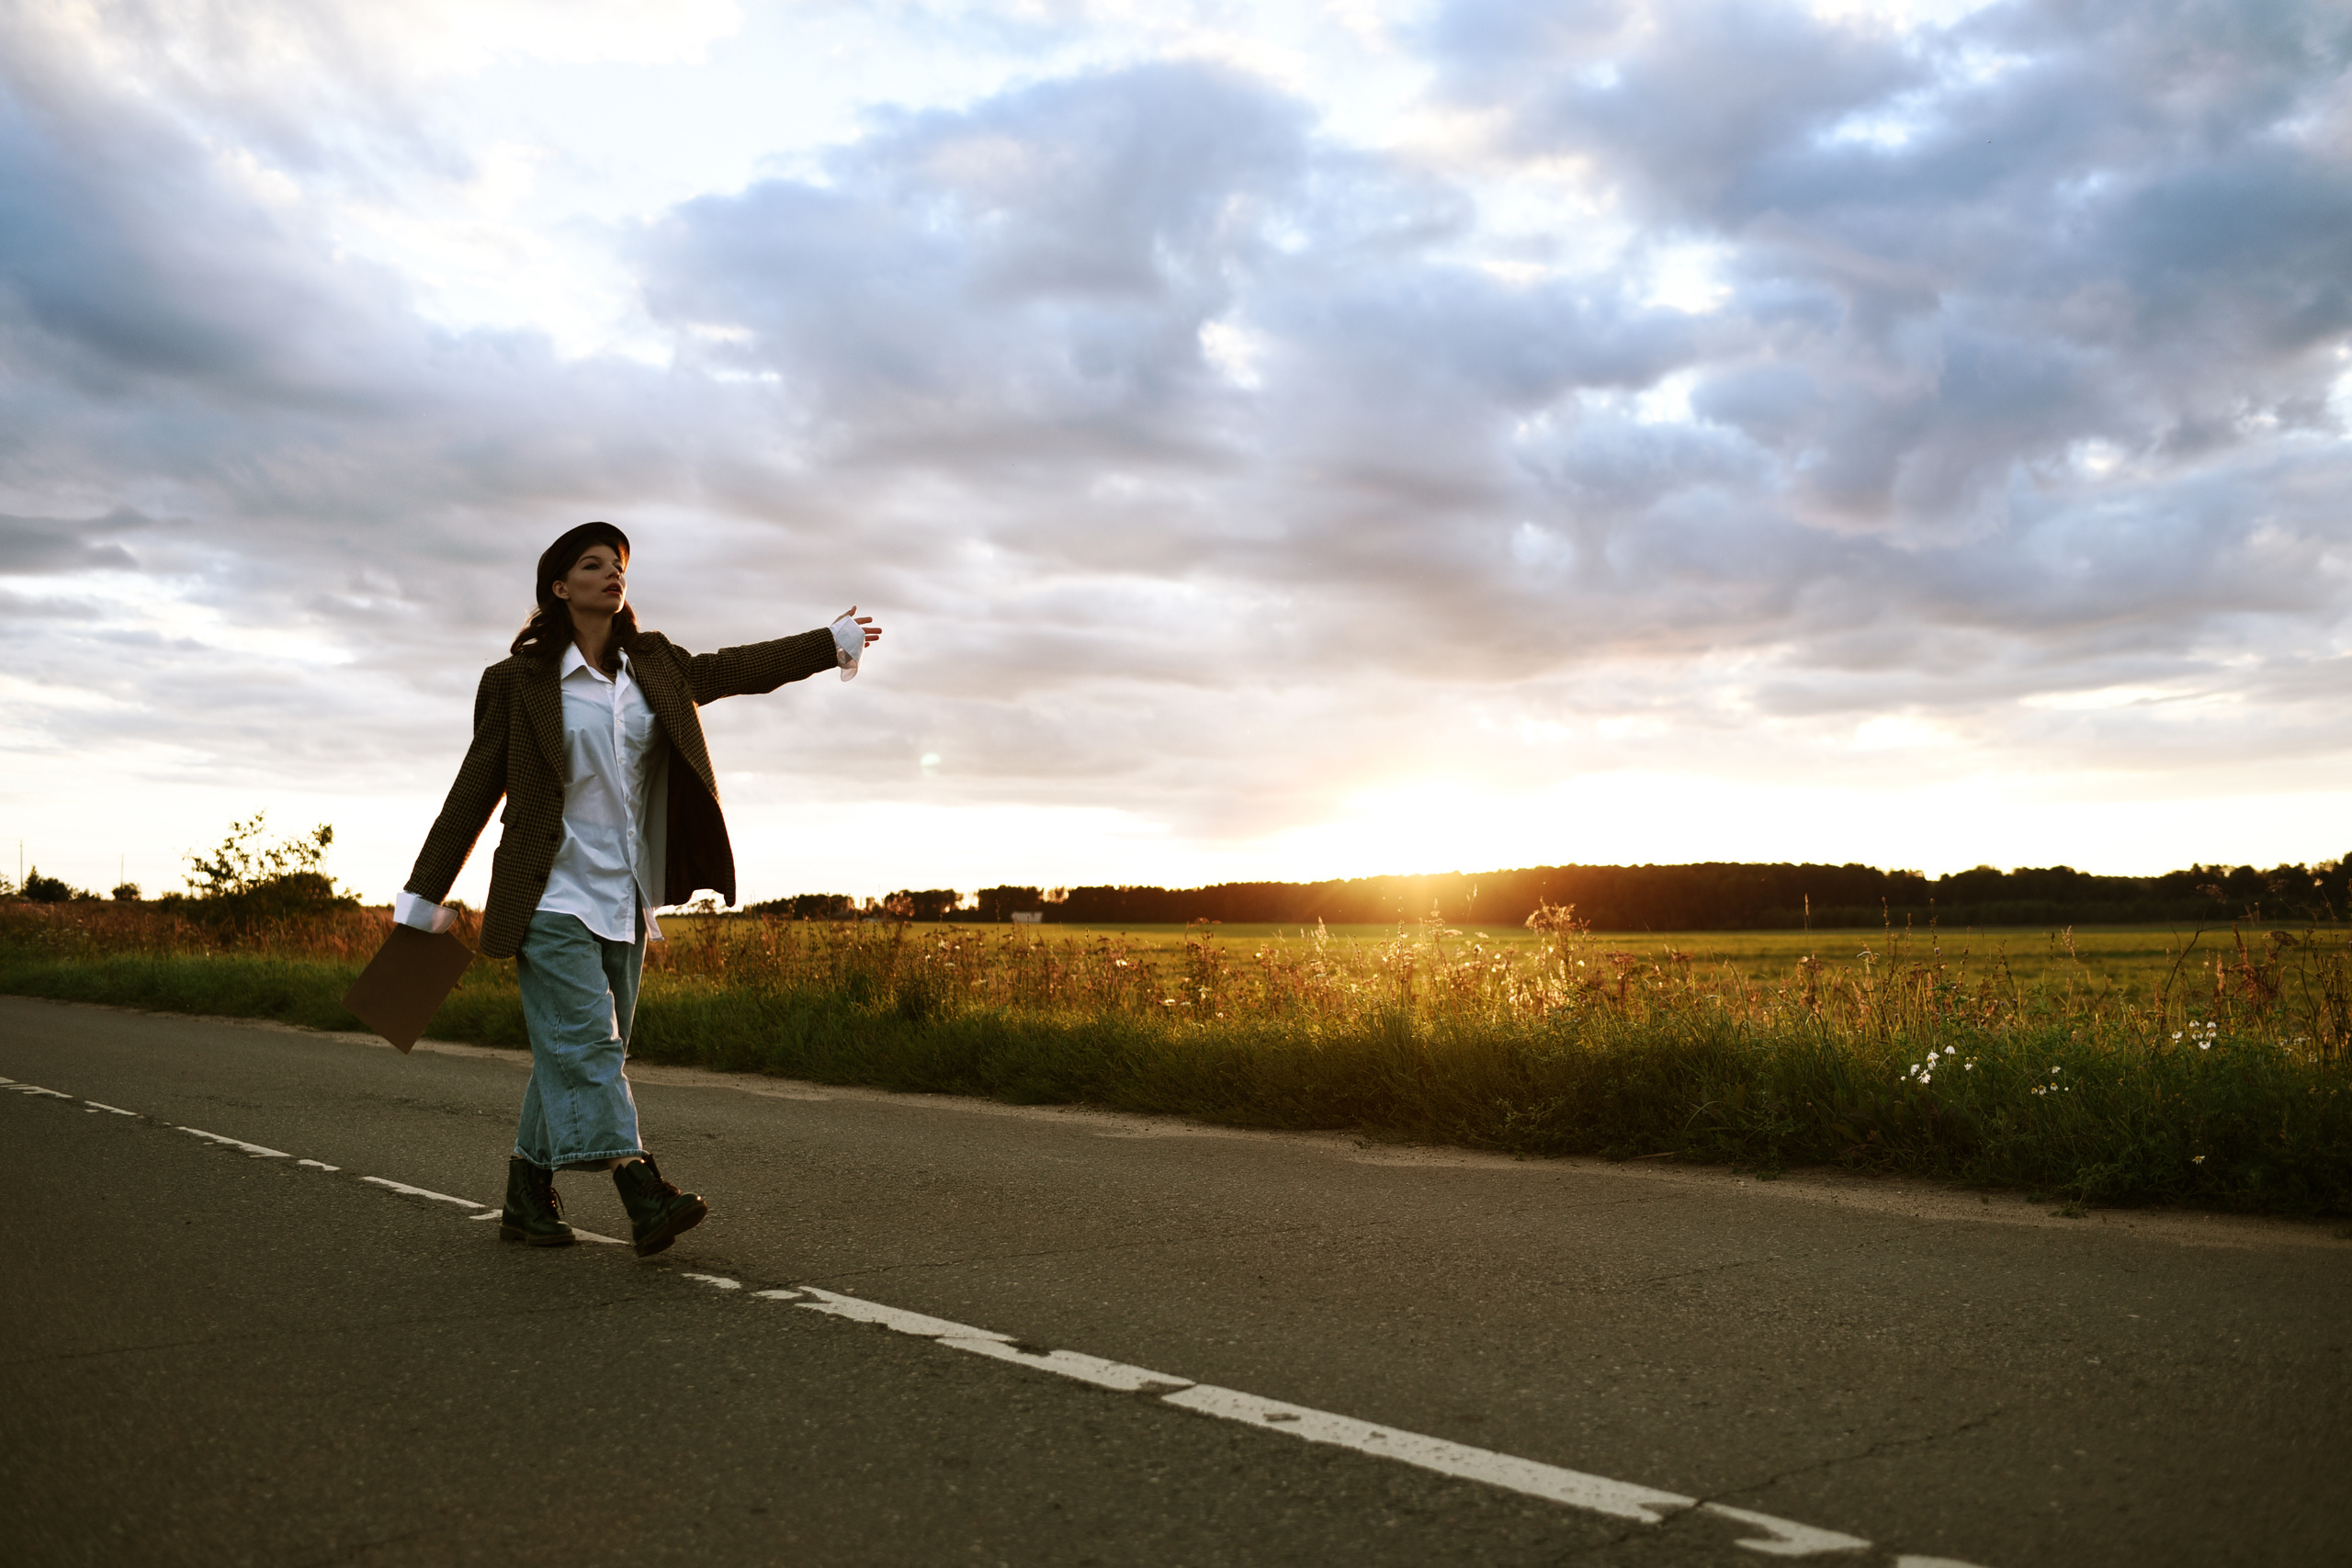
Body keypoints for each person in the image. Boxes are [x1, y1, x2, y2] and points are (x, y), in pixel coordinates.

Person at [393, 522, 879, 1255]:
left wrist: (827, 641)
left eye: (618, 565)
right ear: (560, 588)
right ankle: (640, 1186)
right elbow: (471, 793)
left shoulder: (653, 668)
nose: (612, 575)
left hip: (624, 897)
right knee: (588, 1045)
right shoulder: (518, 683)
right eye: (592, 565)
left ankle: (527, 1195)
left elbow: (737, 667)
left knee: (579, 1050)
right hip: (549, 894)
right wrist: (422, 896)